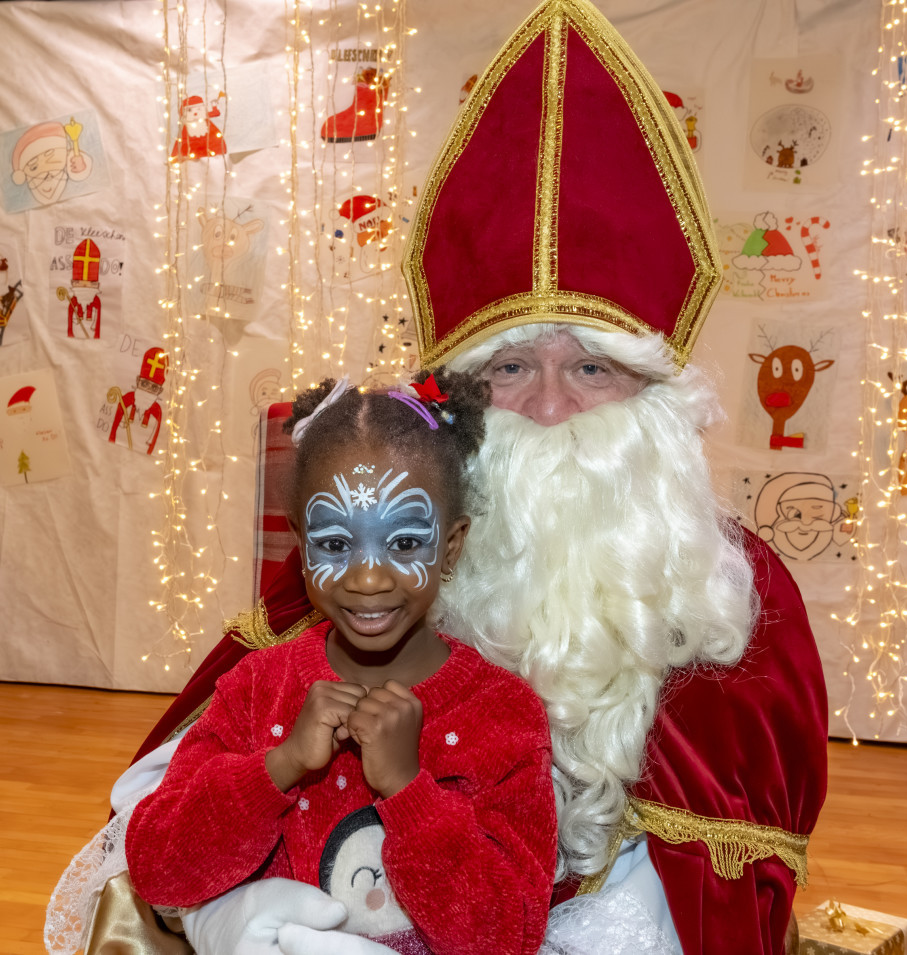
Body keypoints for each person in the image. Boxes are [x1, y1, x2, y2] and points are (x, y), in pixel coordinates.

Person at [48, 1, 827, 953]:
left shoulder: (733, 602)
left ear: (658, 397)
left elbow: (720, 904)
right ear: (457, 395)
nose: (549, 408)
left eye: (592, 368)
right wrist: (227, 916)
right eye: (510, 368)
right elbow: (168, 811)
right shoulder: (372, 555)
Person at [123, 371, 557, 955]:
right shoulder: (256, 690)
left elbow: (509, 937)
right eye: (333, 544)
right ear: (300, 544)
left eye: (405, 543)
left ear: (451, 545)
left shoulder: (501, 714)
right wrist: (279, 765)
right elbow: (160, 873)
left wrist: (408, 790)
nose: (368, 580)